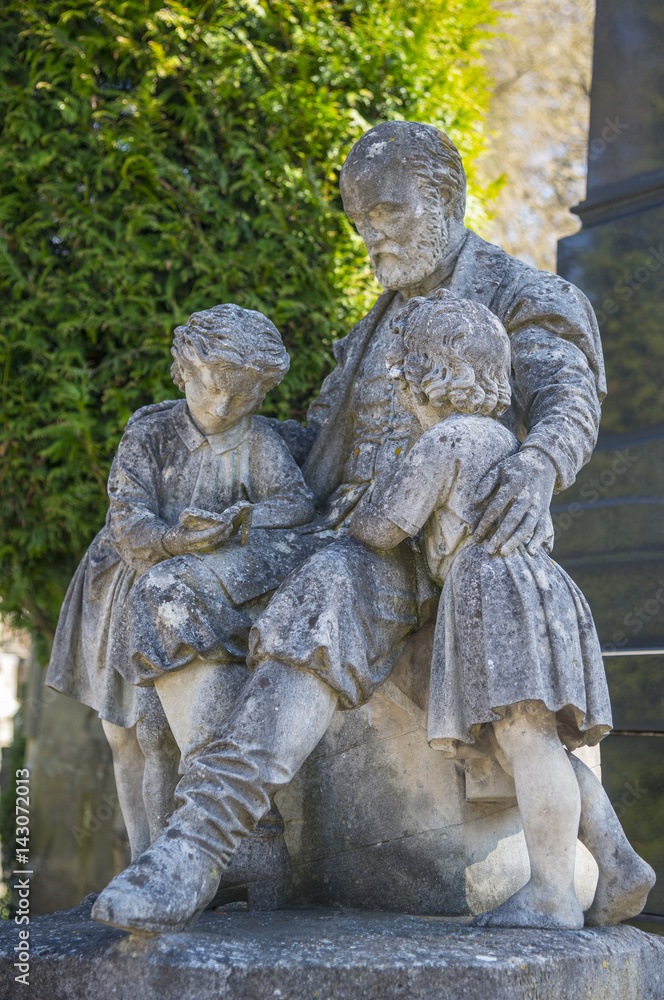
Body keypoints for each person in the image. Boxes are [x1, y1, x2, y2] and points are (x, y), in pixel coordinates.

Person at [91, 121, 614, 934]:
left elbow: (567, 398)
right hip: (325, 525)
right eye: (359, 220)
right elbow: (317, 448)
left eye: (387, 212)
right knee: (166, 594)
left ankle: (197, 843)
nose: (370, 234)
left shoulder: (517, 293)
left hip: (424, 544)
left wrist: (540, 465)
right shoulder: (372, 325)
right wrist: (208, 445)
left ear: (445, 199)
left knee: (330, 585)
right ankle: (252, 849)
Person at [350, 290, 655, 929]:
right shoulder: (500, 437)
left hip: (496, 596)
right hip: (537, 588)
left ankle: (550, 893)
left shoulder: (447, 440)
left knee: (528, 740)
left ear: (422, 379)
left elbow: (383, 526)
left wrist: (348, 514)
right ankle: (618, 858)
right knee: (538, 745)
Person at [49, 302, 317, 907]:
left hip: (190, 589)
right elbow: (129, 519)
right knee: (125, 733)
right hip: (126, 581)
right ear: (183, 371)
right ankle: (146, 855)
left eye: (242, 396)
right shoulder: (151, 430)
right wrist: (174, 540)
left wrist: (239, 521)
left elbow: (298, 508)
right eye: (211, 388)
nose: (222, 408)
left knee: (159, 725)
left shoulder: (260, 443)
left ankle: (196, 857)